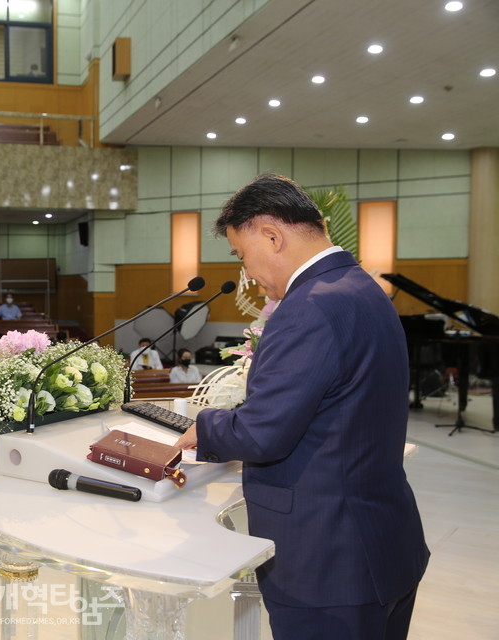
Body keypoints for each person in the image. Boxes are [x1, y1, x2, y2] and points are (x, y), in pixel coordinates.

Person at [177, 175, 428, 640]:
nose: (247, 272)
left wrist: (205, 426)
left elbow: (261, 433)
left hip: (329, 564)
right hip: (383, 544)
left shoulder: (308, 306)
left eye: (240, 254)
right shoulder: (363, 289)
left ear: (271, 235)